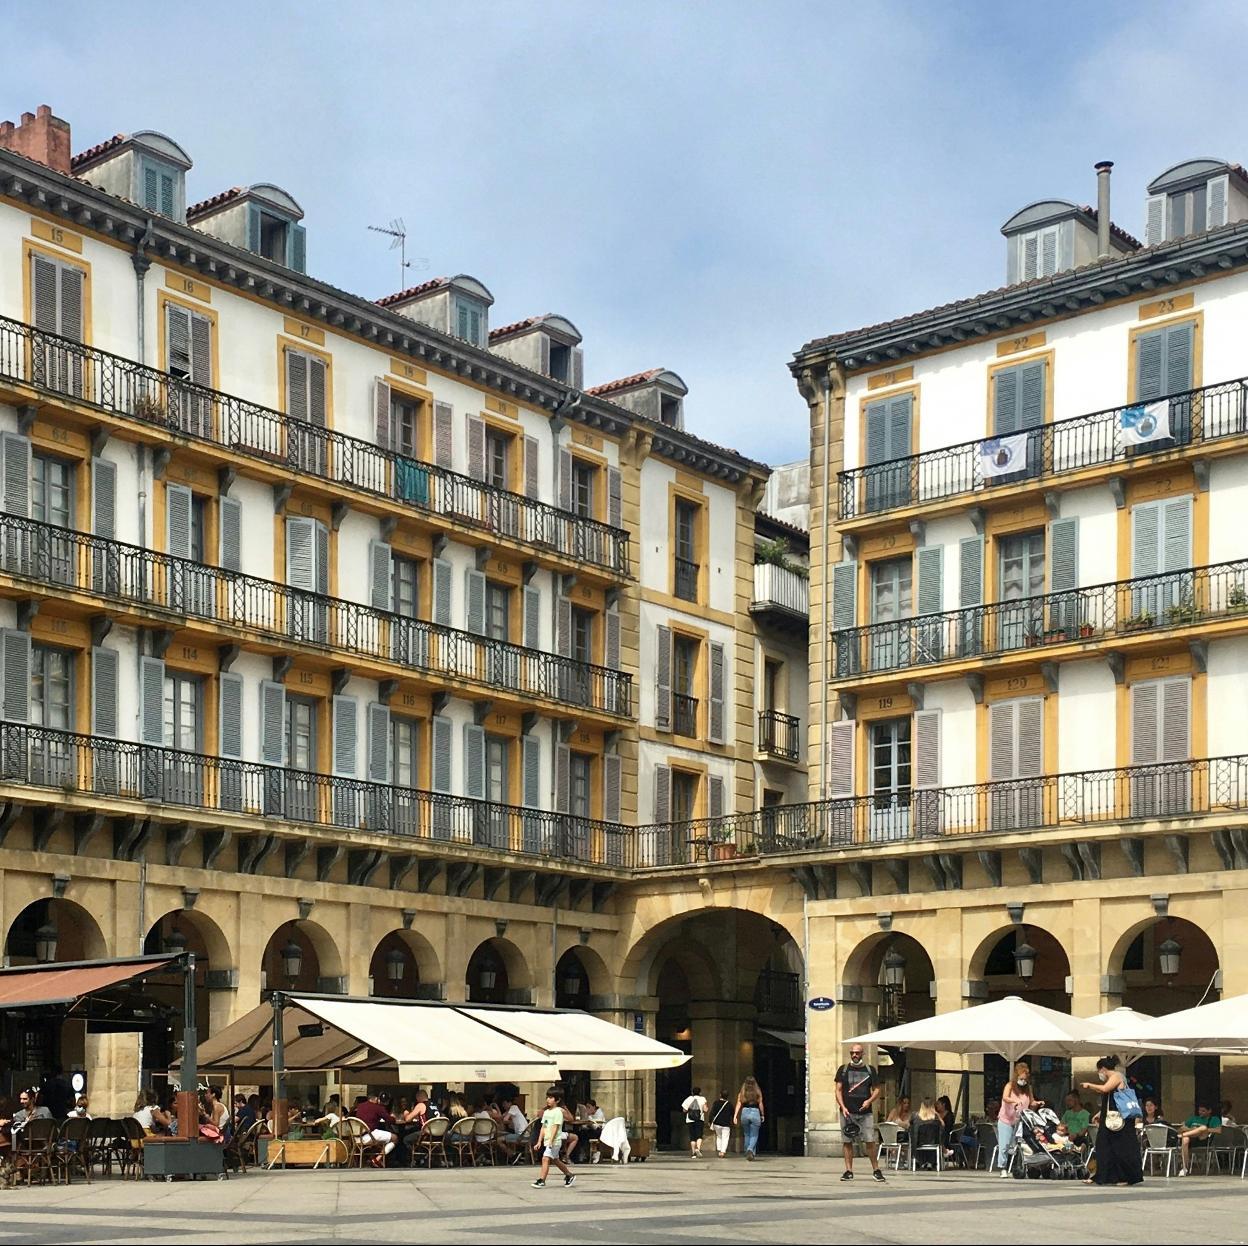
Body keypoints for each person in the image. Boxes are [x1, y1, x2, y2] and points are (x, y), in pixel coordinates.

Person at [1080, 1055, 1143, 1186]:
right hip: (1109, 1117)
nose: (1099, 1074)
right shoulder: (1111, 1078)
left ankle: (1127, 1176)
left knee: (1122, 1148)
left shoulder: (1116, 1076)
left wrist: (1089, 1085)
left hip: (1120, 1119)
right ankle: (1102, 1175)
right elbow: (1109, 1100)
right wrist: (1099, 1113)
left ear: (1103, 1069)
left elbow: (1105, 1089)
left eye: (1099, 1071)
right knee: (1104, 1146)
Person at [834, 1046, 883, 1183]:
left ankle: (876, 1170)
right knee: (847, 1141)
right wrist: (842, 1107)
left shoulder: (869, 1070)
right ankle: (849, 1171)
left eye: (857, 1053)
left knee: (870, 1141)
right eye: (852, 1053)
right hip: (847, 1112)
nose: (854, 1055)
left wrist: (869, 1101)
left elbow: (877, 1089)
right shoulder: (843, 1070)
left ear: (862, 1053)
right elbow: (838, 1090)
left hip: (865, 1112)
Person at [531, 1090, 575, 1188]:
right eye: (547, 1097)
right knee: (555, 1160)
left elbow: (556, 1127)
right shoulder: (546, 1112)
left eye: (551, 1098)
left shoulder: (558, 1112)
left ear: (557, 1100)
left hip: (555, 1141)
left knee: (545, 1158)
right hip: (547, 1140)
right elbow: (544, 1127)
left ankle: (542, 1180)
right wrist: (539, 1141)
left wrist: (551, 1141)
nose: (548, 1100)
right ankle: (569, 1175)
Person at [996, 1071, 1035, 1177]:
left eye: (1025, 1079)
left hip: (1020, 1120)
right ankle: (1002, 1167)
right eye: (1021, 1079)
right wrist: (1014, 1101)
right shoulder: (1010, 1086)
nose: (1023, 1081)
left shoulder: (1028, 1088)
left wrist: (1037, 1103)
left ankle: (1017, 1166)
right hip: (1006, 1119)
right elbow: (1005, 1097)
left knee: (1019, 1144)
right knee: (1005, 1145)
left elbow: (1031, 1101)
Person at [352, 1092, 398, 1168]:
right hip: (370, 1135)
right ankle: (378, 1159)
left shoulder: (360, 1106)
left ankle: (369, 1159)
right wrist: (393, 1117)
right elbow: (389, 1120)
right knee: (395, 1138)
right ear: (376, 1099)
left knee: (379, 1139)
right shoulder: (377, 1107)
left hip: (357, 1137)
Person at [1177, 1102, 1223, 1176]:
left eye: (1203, 1111)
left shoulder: (1214, 1119)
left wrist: (1202, 1130)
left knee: (1203, 1128)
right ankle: (1185, 1168)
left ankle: (1184, 1135)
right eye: (1200, 1110)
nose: (1201, 1113)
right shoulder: (1193, 1118)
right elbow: (1181, 1128)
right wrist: (1192, 1130)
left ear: (1209, 1111)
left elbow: (1218, 1130)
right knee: (1185, 1140)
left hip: (1204, 1140)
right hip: (1191, 1140)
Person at [734, 1075, 766, 1161]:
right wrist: (762, 1114)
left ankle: (749, 1153)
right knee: (754, 1134)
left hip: (744, 1112)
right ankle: (750, 1149)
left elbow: (738, 1104)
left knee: (747, 1134)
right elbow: (760, 1104)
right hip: (755, 1112)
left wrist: (735, 1115)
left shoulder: (742, 1093)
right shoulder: (757, 1093)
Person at [911, 1099, 943, 1169]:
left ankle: (919, 1161)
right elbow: (942, 1126)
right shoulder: (936, 1117)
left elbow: (910, 1127)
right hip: (933, 1142)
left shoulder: (915, 1116)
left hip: (918, 1142)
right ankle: (931, 1162)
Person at [498, 1095, 528, 1162]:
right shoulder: (513, 1110)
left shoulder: (514, 1107)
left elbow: (505, 1119)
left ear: (509, 1103)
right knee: (508, 1138)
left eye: (504, 1104)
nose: (503, 1106)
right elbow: (503, 1118)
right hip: (523, 1134)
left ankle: (513, 1155)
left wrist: (507, 1120)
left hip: (521, 1135)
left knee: (499, 1140)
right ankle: (514, 1155)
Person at [682, 1086, 708, 1158]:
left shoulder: (688, 1099)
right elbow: (705, 1110)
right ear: (700, 1092)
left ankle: (693, 1153)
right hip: (699, 1119)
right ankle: (698, 1148)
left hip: (690, 1120)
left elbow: (684, 1110)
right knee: (699, 1135)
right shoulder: (703, 1099)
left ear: (692, 1092)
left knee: (692, 1136)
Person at [709, 1092, 733, 1158]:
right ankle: (722, 1152)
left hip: (717, 1123)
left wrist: (710, 1121)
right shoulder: (729, 1104)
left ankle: (719, 1150)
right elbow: (732, 1114)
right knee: (725, 1137)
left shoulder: (716, 1103)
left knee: (719, 1136)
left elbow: (712, 1112)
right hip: (726, 1123)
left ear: (720, 1095)